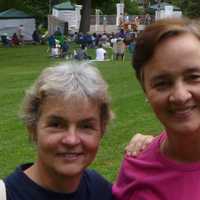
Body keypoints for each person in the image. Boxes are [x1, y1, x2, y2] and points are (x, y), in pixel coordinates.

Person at [2, 62, 152, 200]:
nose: (71, 140)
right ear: (32, 128)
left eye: (86, 126)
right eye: (56, 125)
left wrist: (157, 149)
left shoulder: (100, 190)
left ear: (102, 130)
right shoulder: (8, 195)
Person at [113, 17, 200, 200]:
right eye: (162, 83)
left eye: (194, 77)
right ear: (145, 91)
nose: (180, 96)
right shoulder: (136, 168)